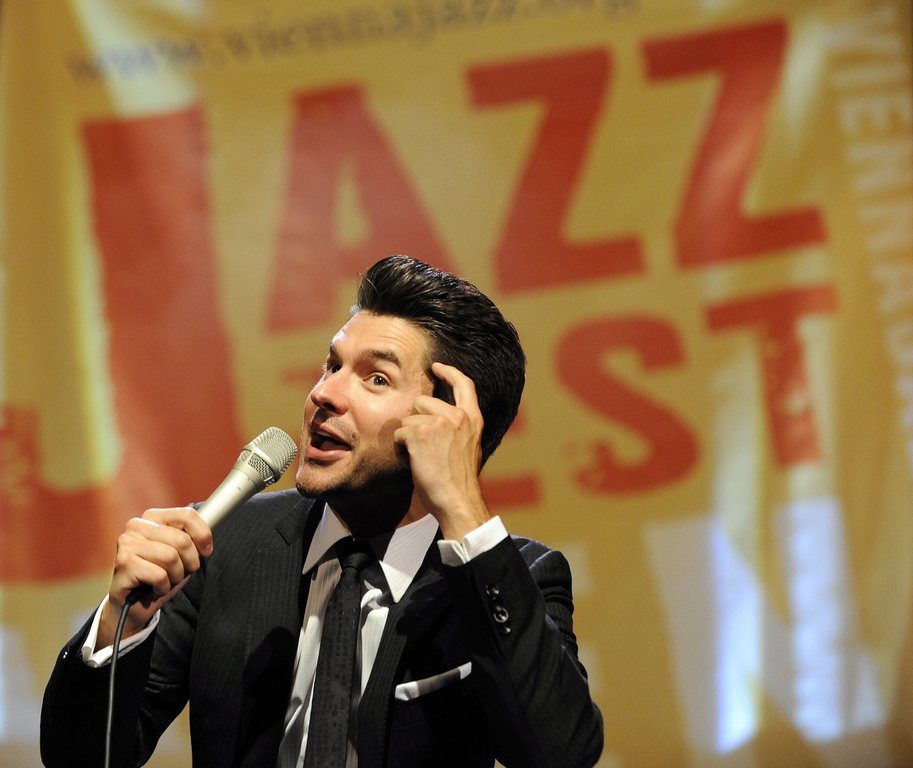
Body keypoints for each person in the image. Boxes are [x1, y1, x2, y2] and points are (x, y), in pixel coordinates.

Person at [41, 255, 604, 767]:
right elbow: (80, 759)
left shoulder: (514, 577)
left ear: (446, 423)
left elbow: (559, 755)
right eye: (332, 365)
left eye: (376, 378)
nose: (325, 394)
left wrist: (462, 507)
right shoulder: (222, 545)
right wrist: (121, 623)